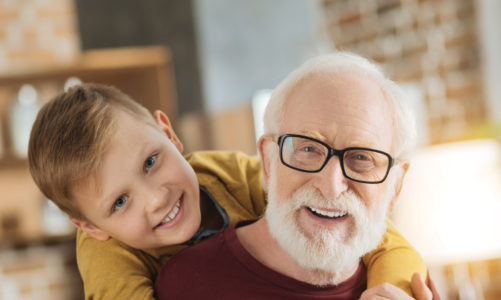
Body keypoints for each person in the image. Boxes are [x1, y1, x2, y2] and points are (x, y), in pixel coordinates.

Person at [28, 83, 426, 300]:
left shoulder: (231, 174)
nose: (155, 198)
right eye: (119, 202)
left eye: (151, 162)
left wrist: (388, 290)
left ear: (168, 133)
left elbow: (383, 239)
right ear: (90, 225)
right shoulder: (104, 253)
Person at [155, 52, 437, 299]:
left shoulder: (409, 289)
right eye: (308, 149)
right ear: (268, 161)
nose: (331, 186)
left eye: (361, 158)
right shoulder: (188, 284)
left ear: (396, 187)